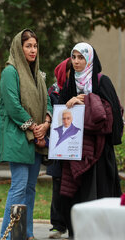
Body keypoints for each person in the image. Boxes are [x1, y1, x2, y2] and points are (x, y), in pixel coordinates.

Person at [58, 42, 123, 239]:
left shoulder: (103, 82)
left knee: (100, 193)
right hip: (76, 151)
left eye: (81, 57)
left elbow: (111, 116)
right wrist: (67, 106)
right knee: (79, 193)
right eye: (74, 57)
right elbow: (62, 114)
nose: (76, 61)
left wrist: (86, 100)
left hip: (100, 153)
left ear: (90, 59)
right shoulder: (70, 83)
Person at [0, 29, 52, 240]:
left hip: (36, 139)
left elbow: (47, 101)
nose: (33, 50)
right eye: (28, 46)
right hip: (18, 137)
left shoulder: (38, 74)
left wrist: (45, 124)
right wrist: (33, 126)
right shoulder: (10, 72)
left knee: (30, 189)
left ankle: (27, 234)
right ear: (19, 48)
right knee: (19, 188)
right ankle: (7, 235)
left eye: (35, 46)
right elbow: (12, 106)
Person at [46, 58, 71, 239]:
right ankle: (57, 225)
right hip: (59, 146)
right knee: (58, 185)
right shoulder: (53, 92)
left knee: (74, 187)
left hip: (76, 146)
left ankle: (73, 224)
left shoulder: (82, 89)